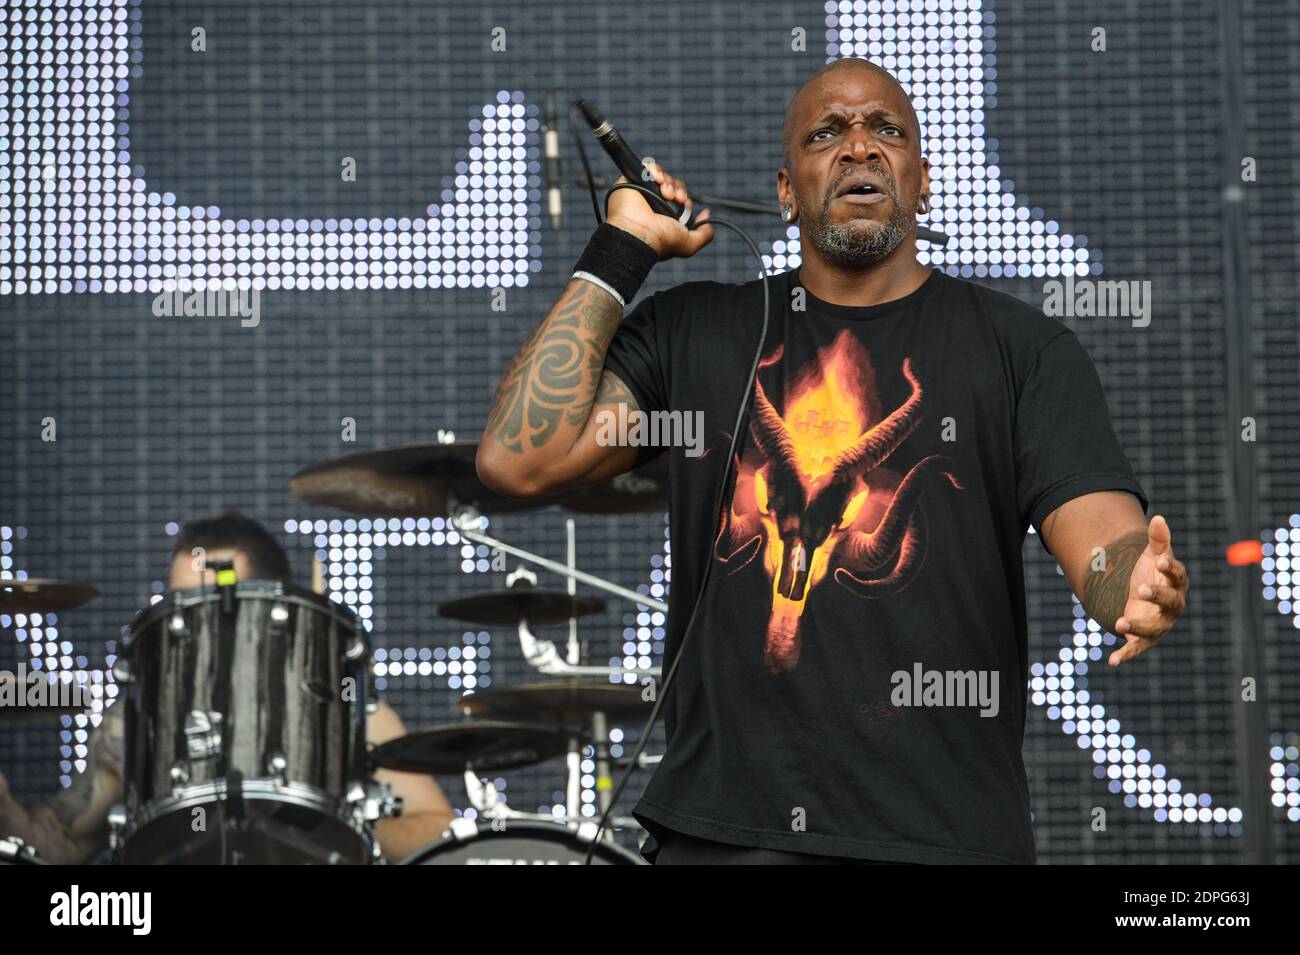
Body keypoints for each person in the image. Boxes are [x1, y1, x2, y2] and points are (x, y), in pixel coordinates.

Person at [475, 58, 1190, 865]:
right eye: (828, 133)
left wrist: (1131, 579)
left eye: (886, 129)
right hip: (724, 835)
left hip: (948, 840)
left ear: (922, 182)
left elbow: (1099, 532)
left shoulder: (1022, 350)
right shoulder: (697, 332)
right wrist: (620, 248)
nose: (858, 146)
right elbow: (517, 457)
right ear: (786, 190)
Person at [0, 511, 455, 863]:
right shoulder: (136, 723)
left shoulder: (346, 714)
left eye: (216, 602)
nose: (197, 619)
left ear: (271, 608)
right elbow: (59, 843)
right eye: (183, 602)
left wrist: (335, 818)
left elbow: (437, 834)